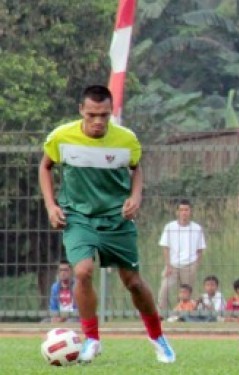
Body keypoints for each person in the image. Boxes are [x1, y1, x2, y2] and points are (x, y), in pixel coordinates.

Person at [38, 85, 175, 364]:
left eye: (104, 115)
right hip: (78, 216)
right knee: (84, 271)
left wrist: (135, 197)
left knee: (133, 282)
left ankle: (158, 337)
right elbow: (45, 167)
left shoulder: (126, 139)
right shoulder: (61, 137)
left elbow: (136, 168)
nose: (98, 121)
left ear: (111, 112)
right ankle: (91, 340)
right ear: (81, 111)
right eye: (92, 115)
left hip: (116, 218)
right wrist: (51, 206)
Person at [157, 199, 206, 311]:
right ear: (177, 212)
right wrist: (168, 265)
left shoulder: (197, 228)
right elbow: (165, 247)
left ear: (190, 211)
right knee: (164, 289)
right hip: (173, 265)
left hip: (189, 265)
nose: (184, 212)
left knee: (188, 292)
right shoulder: (170, 227)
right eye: (182, 210)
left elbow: (200, 250)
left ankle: (188, 314)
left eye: (186, 210)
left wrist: (196, 265)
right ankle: (162, 313)